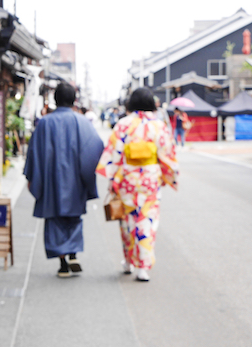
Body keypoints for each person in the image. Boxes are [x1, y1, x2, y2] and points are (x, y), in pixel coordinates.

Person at [96, 88, 178, 282]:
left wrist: (112, 179)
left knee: (127, 222)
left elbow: (114, 153)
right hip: (149, 180)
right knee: (147, 222)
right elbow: (167, 153)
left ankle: (128, 261)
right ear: (152, 103)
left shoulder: (123, 124)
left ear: (131, 104)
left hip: (127, 180)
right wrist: (167, 176)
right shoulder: (159, 125)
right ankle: (144, 267)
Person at [24, 83, 104, 277]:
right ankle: (73, 254)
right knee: (73, 218)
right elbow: (96, 146)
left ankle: (62, 265)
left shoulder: (44, 123)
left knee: (54, 220)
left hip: (51, 180)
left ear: (55, 99)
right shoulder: (82, 122)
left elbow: (34, 153)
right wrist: (87, 175)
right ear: (74, 100)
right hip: (75, 180)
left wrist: (32, 177)